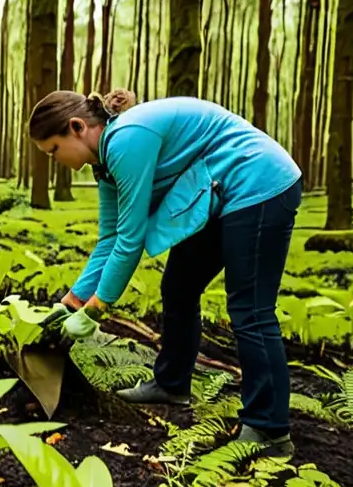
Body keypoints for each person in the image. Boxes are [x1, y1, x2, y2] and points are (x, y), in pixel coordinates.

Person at [29, 90, 302, 457]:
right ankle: (172, 384)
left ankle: (269, 429)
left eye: (54, 150)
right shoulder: (105, 164)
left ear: (77, 127)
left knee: (250, 310)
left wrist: (96, 310)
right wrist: (70, 302)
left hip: (258, 184)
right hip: (218, 192)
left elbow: (131, 239)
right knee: (179, 286)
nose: (55, 160)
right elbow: (109, 237)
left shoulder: (128, 138)